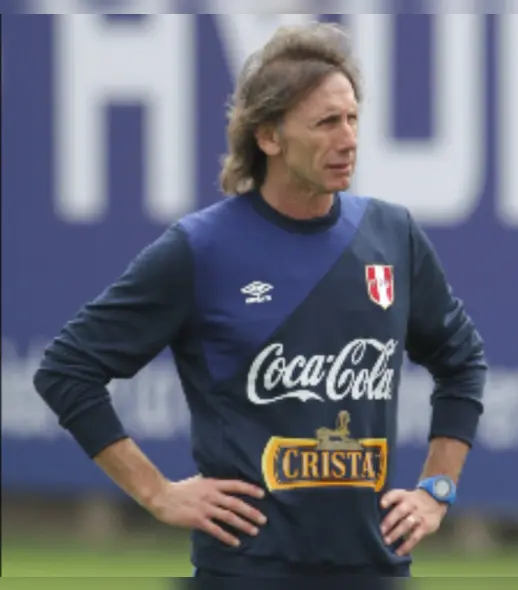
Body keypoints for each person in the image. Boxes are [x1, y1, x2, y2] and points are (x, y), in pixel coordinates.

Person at [33, 23, 487, 583]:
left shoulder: (392, 234)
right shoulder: (202, 248)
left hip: (376, 567)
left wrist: (436, 490)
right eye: (325, 123)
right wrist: (155, 492)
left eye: (352, 119)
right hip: (247, 571)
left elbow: (461, 361)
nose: (348, 139)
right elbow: (67, 370)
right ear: (268, 136)